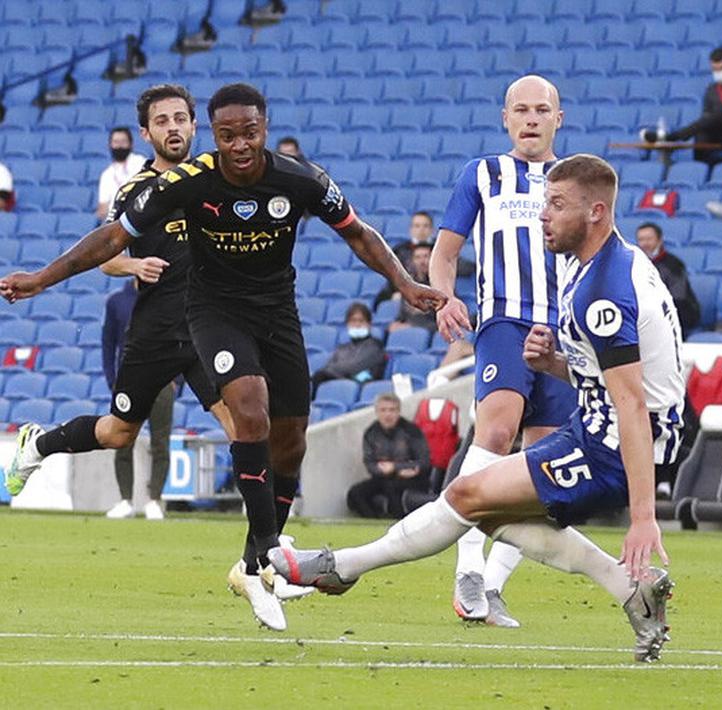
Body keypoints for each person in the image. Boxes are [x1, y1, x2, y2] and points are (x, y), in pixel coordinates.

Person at [0, 82, 446, 633]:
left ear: (256, 128)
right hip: (194, 317)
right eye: (225, 134)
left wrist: (403, 282)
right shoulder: (169, 185)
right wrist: (42, 278)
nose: (237, 144)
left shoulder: (298, 178)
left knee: (286, 437)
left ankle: (254, 562)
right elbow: (111, 242)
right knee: (184, 421)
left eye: (248, 133)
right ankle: (269, 557)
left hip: (275, 314)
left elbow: (357, 232)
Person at [271, 153, 683, 664]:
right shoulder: (599, 265)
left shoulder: (603, 290)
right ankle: (630, 589)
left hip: (618, 443)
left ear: (596, 212)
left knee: (466, 496)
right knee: (484, 512)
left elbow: (633, 403)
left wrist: (644, 516)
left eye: (556, 205)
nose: (542, 216)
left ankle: (344, 566)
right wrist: (555, 364)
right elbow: (615, 379)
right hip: (601, 424)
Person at [4, 84, 235, 528]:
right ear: (146, 134)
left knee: (243, 427)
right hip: (156, 332)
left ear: (193, 124)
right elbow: (104, 256)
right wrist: (134, 263)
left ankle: (265, 551)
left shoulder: (216, 181)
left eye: (180, 118)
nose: (173, 127)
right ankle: (38, 445)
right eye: (162, 121)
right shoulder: (137, 192)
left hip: (208, 329)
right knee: (117, 432)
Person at [428, 75, 577, 628]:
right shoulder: (483, 175)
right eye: (522, 109)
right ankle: (467, 566)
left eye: (542, 109)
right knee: (494, 433)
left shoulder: (578, 179)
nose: (532, 118)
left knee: (547, 471)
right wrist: (444, 299)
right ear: (505, 118)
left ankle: (490, 586)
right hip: (506, 323)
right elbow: (445, 253)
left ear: (558, 119)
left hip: (564, 336)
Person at [100, 278, 176, 520]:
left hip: (162, 379)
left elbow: (182, 337)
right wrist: (113, 379)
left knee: (160, 442)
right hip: (129, 379)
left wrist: (178, 379)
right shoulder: (117, 302)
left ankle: (154, 499)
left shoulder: (167, 297)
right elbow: (108, 342)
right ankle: (125, 500)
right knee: (121, 439)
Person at [644, 47, 722, 166]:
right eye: (715, 69)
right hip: (718, 135)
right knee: (702, 131)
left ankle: (672, 137)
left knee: (719, 114)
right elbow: (706, 117)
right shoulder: (712, 90)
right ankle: (701, 169)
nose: (718, 73)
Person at [348, 393, 434, 519]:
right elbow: (369, 463)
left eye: (392, 410)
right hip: (383, 477)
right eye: (383, 410)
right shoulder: (371, 433)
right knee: (355, 493)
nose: (387, 414)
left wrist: (396, 467)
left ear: (398, 412)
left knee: (392, 487)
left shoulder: (411, 431)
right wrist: (380, 470)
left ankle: (398, 523)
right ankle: (372, 522)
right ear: (377, 412)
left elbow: (425, 462)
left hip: (412, 478)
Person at [635, 221, 701, 333]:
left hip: (677, 317)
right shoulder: (635, 263)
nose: (645, 243)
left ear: (659, 240)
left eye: (649, 239)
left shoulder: (673, 265)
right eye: (641, 239)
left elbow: (678, 297)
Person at [311, 302, 387, 394]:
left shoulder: (375, 346)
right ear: (347, 324)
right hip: (338, 386)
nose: (357, 324)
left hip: (361, 388)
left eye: (361, 320)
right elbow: (327, 366)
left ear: (369, 324)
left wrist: (334, 369)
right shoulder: (342, 348)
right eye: (353, 321)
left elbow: (352, 367)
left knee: (321, 375)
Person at [96, 126, 147, 219]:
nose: (119, 146)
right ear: (109, 145)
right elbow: (102, 208)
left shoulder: (141, 163)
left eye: (123, 142)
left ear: (131, 144)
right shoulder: (107, 174)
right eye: (116, 142)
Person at [386, 243, 439, 333]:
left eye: (426, 256)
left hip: (429, 330)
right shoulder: (408, 285)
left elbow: (438, 321)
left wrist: (411, 326)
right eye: (418, 257)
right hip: (408, 328)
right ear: (413, 261)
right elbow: (403, 314)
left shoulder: (439, 285)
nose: (422, 262)